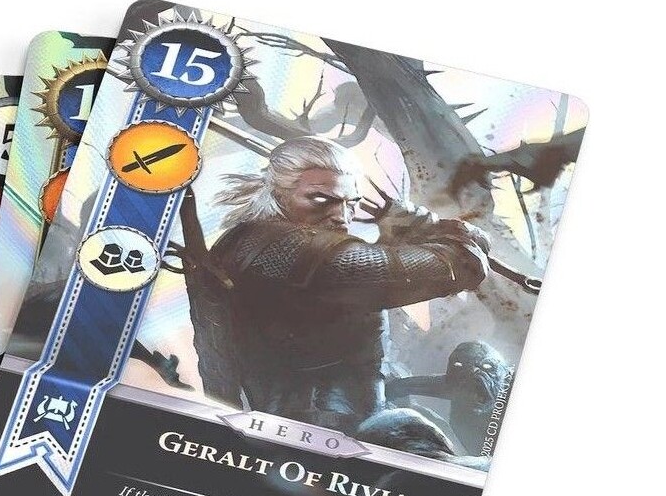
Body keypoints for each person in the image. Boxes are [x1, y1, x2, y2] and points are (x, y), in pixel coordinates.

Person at [191, 136, 491, 445]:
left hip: (315, 427)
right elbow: (460, 265)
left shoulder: (246, 243)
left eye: (351, 203)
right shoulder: (293, 251)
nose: (341, 216)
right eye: (321, 200)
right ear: (277, 194)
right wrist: (438, 228)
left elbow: (345, 297)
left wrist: (401, 235)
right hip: (328, 434)